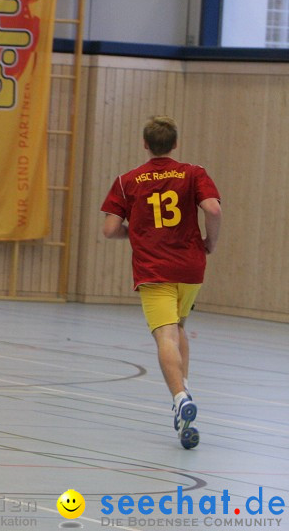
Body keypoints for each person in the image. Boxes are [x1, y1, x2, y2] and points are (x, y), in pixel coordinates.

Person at [101, 116, 221, 450]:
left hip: (154, 268)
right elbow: (212, 209)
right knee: (179, 326)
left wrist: (135, 234)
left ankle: (180, 396)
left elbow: (110, 229)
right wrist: (211, 242)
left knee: (164, 334)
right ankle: (184, 394)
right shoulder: (194, 172)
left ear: (145, 144)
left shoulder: (128, 181)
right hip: (191, 265)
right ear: (175, 143)